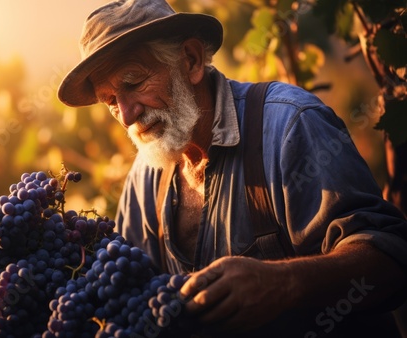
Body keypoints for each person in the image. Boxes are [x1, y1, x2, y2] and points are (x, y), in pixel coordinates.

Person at [57, 0, 407, 336]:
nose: (127, 115)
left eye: (134, 83)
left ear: (191, 61)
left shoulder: (288, 126)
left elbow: (390, 258)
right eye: (110, 101)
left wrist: (283, 282)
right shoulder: (143, 180)